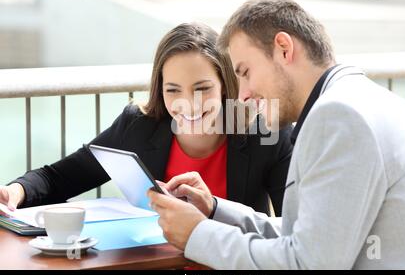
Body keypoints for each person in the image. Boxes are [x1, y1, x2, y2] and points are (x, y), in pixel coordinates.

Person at [148, 0, 405, 269]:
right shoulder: (356, 101)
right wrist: (214, 210)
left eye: (245, 72)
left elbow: (307, 264)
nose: (242, 95)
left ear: (283, 49)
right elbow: (310, 235)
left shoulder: (340, 117)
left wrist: (198, 235)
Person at [0, 22, 293, 217]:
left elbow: (293, 232)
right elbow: (58, 178)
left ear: (225, 86)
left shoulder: (266, 133)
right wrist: (14, 192)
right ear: (160, 90)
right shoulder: (138, 126)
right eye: (173, 90)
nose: (187, 104)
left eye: (202, 89)